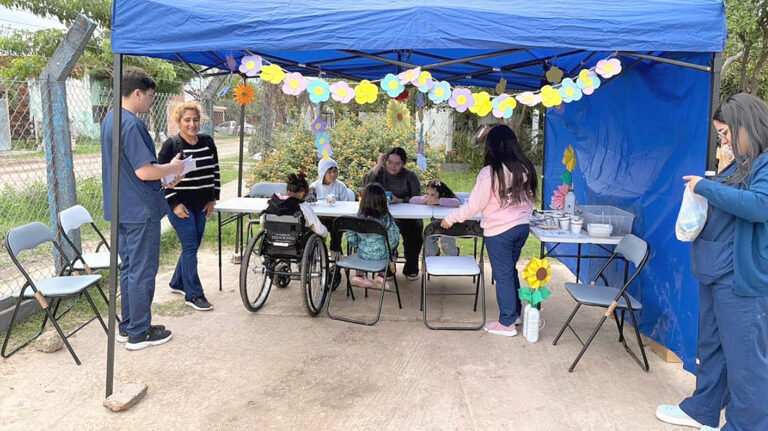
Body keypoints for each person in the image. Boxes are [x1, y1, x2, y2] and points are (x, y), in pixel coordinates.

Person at [656, 93, 768, 431]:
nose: (724, 141)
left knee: (746, 363)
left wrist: (706, 187)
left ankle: (745, 426)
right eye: (720, 135)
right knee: (713, 350)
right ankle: (703, 409)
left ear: (746, 124)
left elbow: (759, 205)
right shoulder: (744, 160)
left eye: (727, 133)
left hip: (742, 280)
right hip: (716, 271)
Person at [101, 67, 184, 350]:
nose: (151, 102)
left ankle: (128, 325)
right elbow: (144, 171)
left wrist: (164, 175)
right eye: (150, 96)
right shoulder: (132, 124)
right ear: (137, 93)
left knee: (130, 268)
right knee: (143, 270)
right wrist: (172, 167)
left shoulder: (111, 118)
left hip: (122, 207)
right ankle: (139, 331)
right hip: (140, 210)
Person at [441, 125, 536, 337]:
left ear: (491, 145)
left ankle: (507, 323)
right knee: (509, 271)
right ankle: (515, 314)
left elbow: (474, 206)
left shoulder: (490, 172)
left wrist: (450, 218)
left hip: (500, 232)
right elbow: (529, 199)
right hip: (521, 228)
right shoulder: (524, 167)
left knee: (503, 275)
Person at [157, 101, 220, 312]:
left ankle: (177, 282)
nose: (192, 124)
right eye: (187, 120)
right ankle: (194, 294)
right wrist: (174, 204)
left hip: (202, 204)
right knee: (191, 245)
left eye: (195, 120)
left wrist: (213, 199)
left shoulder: (207, 141)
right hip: (180, 205)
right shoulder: (171, 145)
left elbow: (215, 172)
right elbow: (161, 177)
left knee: (191, 245)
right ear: (178, 122)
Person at [363, 147, 422, 280]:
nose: (393, 166)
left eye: (397, 164)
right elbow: (366, 184)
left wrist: (399, 200)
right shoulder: (380, 173)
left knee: (415, 231)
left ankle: (411, 267)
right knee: (385, 233)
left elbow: (417, 198)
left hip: (408, 217)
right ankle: (388, 266)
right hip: (385, 215)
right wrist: (378, 164)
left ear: (403, 164)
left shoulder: (410, 176)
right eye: (390, 162)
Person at [347, 183, 400, 290]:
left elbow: (350, 237)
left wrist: (357, 244)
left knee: (362, 251)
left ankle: (359, 275)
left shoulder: (357, 217)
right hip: (382, 255)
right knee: (390, 253)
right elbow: (393, 238)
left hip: (362, 254)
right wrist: (391, 248)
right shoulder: (386, 219)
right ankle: (381, 276)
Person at [261, 173, 328, 239]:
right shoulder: (303, 206)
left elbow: (262, 221)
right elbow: (319, 229)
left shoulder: (273, 203)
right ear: (302, 193)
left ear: (287, 191)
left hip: (273, 239)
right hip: (296, 241)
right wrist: (325, 234)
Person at [410, 179, 461, 256]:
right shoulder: (427, 199)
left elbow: (456, 203)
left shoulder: (447, 199)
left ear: (441, 193)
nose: (430, 196)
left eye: (432, 194)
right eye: (428, 194)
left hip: (449, 227)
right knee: (428, 237)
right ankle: (433, 255)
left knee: (446, 240)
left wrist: (438, 201)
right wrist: (425, 200)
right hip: (435, 227)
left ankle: (453, 255)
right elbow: (412, 200)